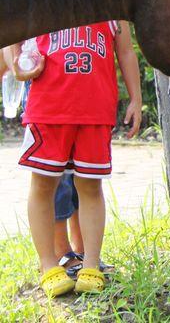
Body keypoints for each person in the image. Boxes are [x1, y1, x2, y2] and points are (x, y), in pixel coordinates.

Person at [15, 22, 142, 297]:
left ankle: (91, 264)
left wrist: (136, 98)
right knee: (43, 186)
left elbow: (126, 51)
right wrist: (16, 64)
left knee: (90, 187)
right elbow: (11, 26)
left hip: (95, 110)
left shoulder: (110, 1)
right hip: (48, 108)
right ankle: (49, 264)